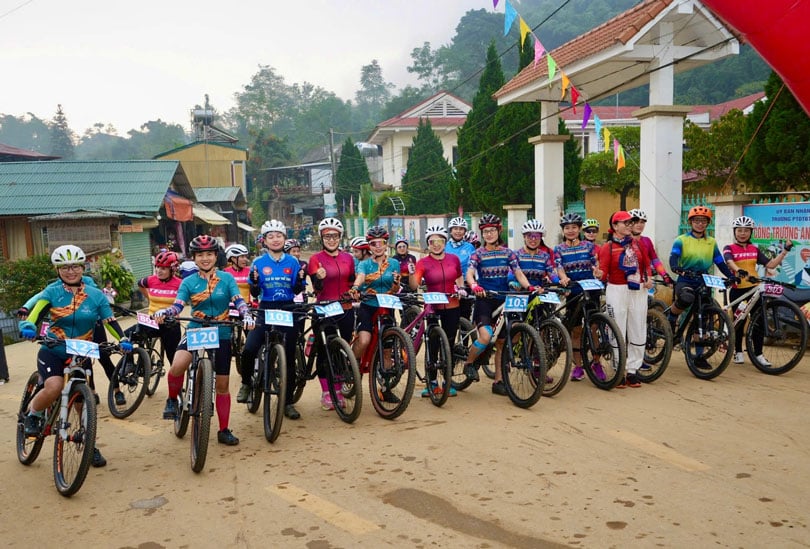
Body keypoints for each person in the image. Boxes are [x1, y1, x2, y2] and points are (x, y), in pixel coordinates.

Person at [18, 245, 133, 467]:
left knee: (84, 400)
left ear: (83, 267)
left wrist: (122, 340)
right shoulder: (51, 292)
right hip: (53, 350)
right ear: (57, 269)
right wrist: (28, 326)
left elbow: (109, 321)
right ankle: (33, 414)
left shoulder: (96, 295)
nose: (71, 271)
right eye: (65, 267)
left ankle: (90, 444)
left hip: (82, 352)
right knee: (53, 386)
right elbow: (34, 314)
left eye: (75, 266)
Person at [156, 235, 254, 446]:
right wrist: (168, 312)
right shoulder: (188, 281)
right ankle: (172, 400)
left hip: (222, 333)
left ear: (216, 256)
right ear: (194, 257)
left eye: (209, 254)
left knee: (222, 385)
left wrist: (246, 314)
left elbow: (239, 300)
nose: (205, 258)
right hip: (196, 330)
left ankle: (223, 429)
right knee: (177, 366)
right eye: (200, 255)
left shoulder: (226, 278)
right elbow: (178, 305)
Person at [237, 220, 306, 420]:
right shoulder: (258, 263)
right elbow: (255, 292)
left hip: (287, 308)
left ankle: (288, 402)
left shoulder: (293, 262)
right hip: (265, 309)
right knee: (249, 347)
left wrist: (301, 281)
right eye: (270, 236)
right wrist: (256, 282)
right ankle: (247, 383)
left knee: (290, 355)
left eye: (279, 235)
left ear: (284, 238)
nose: (275, 239)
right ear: (264, 241)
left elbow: (295, 290)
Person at [462, 214, 534, 396]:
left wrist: (529, 287)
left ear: (499, 230)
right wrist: (474, 285)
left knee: (502, 342)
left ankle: (499, 381)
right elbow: (469, 273)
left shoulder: (508, 253)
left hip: (504, 298)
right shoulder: (477, 253)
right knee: (486, 337)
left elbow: (518, 273)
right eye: (485, 231)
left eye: (492, 230)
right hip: (484, 298)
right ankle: (469, 363)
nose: (489, 234)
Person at [669, 205, 735, 369]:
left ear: (707, 223)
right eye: (697, 221)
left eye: (703, 221)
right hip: (686, 278)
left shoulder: (711, 242)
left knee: (703, 317)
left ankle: (698, 356)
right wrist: (677, 268)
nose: (700, 224)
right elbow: (674, 258)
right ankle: (671, 318)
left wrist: (731, 276)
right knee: (685, 298)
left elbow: (719, 261)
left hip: (703, 280)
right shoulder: (682, 239)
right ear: (690, 222)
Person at [723, 215, 792, 366]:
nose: (743, 233)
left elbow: (771, 265)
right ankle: (738, 352)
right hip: (738, 290)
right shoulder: (729, 248)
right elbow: (729, 260)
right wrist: (738, 270)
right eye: (739, 230)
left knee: (759, 322)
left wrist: (785, 251)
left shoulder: (754, 249)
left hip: (754, 290)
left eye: (746, 230)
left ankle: (759, 354)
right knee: (738, 322)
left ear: (750, 232)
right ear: (735, 232)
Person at [409, 225, 464, 398]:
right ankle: (431, 382)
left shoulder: (453, 259)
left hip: (452, 305)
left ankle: (448, 380)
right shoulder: (423, 262)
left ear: (445, 242)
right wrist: (412, 274)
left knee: (449, 342)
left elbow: (459, 276)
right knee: (432, 343)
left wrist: (461, 288)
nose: (436, 245)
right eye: (432, 241)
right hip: (433, 306)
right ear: (428, 244)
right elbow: (414, 285)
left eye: (439, 241)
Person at [599, 211, 653, 388]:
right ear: (615, 226)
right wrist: (598, 273)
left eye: (631, 223)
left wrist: (649, 278)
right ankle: (618, 369)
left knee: (638, 328)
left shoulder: (638, 244)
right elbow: (603, 272)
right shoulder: (607, 247)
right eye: (626, 223)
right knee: (618, 330)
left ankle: (632, 370)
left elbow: (646, 264)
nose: (630, 226)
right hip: (617, 289)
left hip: (638, 289)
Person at [308, 217, 356, 410]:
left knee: (342, 349)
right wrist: (318, 278)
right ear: (321, 238)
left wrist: (355, 291)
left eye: (334, 236)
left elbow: (352, 281)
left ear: (340, 237)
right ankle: (327, 391)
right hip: (324, 309)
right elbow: (316, 287)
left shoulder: (348, 258)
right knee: (325, 350)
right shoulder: (316, 259)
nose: (331, 239)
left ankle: (338, 386)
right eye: (327, 236)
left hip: (345, 308)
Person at [350, 225, 402, 402]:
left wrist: (396, 283)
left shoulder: (394, 263)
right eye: (373, 243)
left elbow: (395, 288)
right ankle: (352, 365)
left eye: (381, 243)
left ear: (387, 244)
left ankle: (385, 388)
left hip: (387, 306)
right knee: (364, 340)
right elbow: (361, 277)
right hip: (368, 305)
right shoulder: (364, 264)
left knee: (387, 351)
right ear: (369, 246)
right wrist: (356, 287)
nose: (377, 246)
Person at [554, 212, 604, 381]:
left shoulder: (588, 246)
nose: (570, 231)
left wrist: (597, 271)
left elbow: (594, 263)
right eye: (567, 228)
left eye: (574, 227)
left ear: (579, 229)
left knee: (593, 327)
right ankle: (578, 367)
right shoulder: (559, 249)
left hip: (591, 290)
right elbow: (559, 267)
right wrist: (563, 277)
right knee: (576, 330)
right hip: (574, 291)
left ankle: (597, 363)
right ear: (563, 231)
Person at [128, 251, 182, 384]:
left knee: (174, 358)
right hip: (151, 322)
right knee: (126, 336)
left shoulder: (180, 284)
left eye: (163, 268)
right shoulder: (150, 280)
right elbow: (140, 284)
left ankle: (177, 387)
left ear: (173, 269)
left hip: (170, 324)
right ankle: (131, 364)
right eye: (157, 267)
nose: (159, 271)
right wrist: (149, 298)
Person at [628, 209, 674, 285]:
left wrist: (665, 275)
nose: (639, 225)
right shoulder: (624, 241)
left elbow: (655, 260)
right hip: (627, 281)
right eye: (636, 222)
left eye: (642, 222)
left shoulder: (647, 241)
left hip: (644, 281)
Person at [509, 219, 558, 289]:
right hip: (519, 295)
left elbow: (552, 274)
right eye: (529, 236)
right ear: (524, 237)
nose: (533, 239)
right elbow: (510, 276)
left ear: (541, 238)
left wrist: (560, 283)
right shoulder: (516, 255)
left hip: (538, 293)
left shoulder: (545, 257)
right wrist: (513, 283)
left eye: (537, 236)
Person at [445, 216, 476, 319]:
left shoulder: (470, 247)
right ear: (451, 230)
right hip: (448, 285)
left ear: (465, 231)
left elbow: (474, 265)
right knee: (450, 316)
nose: (458, 231)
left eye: (461, 229)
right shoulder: (444, 246)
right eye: (455, 228)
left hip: (465, 285)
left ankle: (464, 334)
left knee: (465, 316)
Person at [284, 239, 308, 304]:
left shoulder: (304, 264)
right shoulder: (282, 265)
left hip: (301, 298)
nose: (296, 254)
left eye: (298, 251)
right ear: (287, 253)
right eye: (293, 251)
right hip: (287, 297)